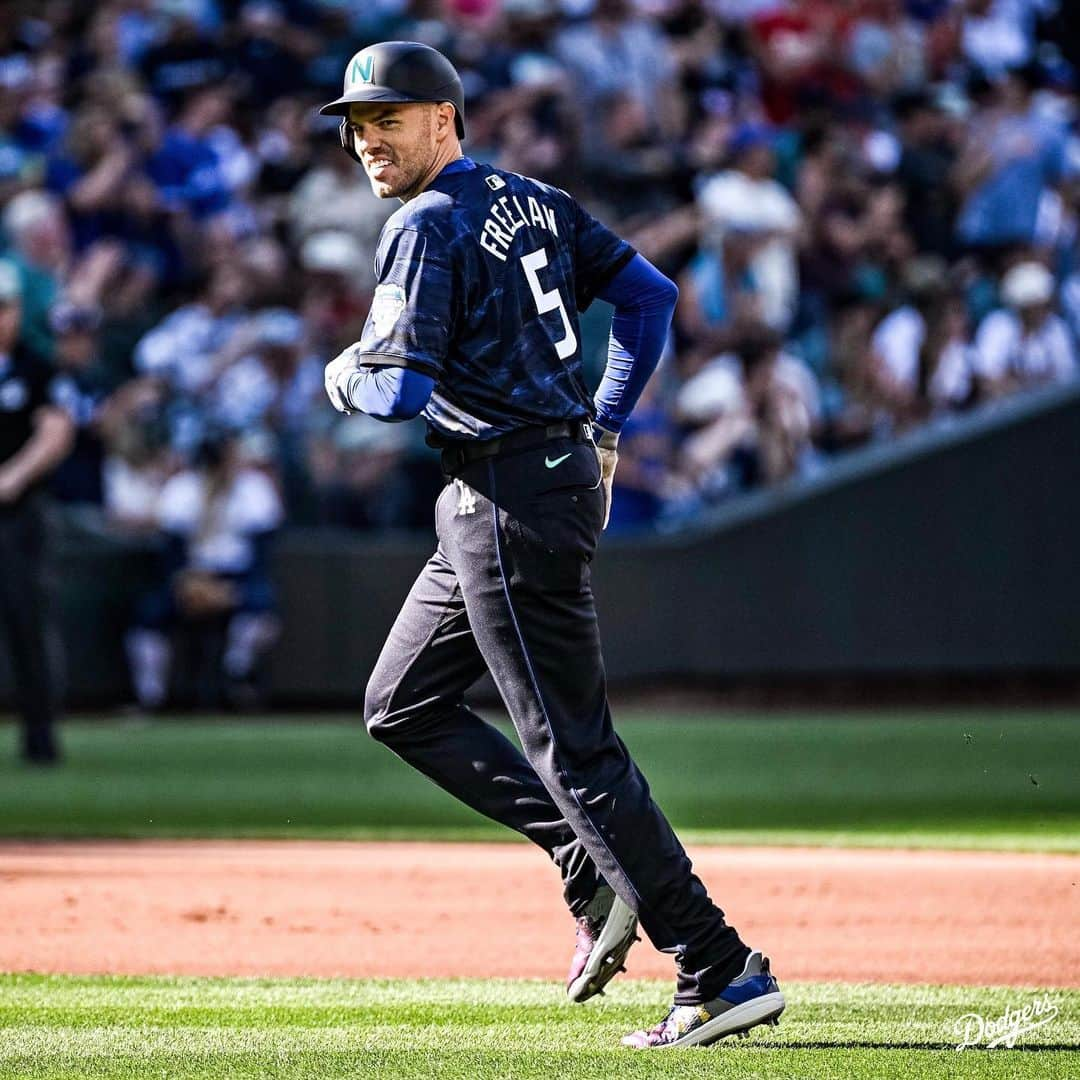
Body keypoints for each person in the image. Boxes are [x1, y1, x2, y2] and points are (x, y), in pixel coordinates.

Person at [320, 41, 784, 1049]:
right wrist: (607, 425)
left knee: (576, 750)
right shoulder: (532, 198)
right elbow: (650, 298)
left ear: (446, 117)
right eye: (356, 124)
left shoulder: (426, 222)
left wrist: (341, 374)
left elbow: (395, 392)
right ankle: (587, 870)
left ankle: (718, 967)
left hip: (507, 496)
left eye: (387, 119)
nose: (367, 141)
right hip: (525, 480)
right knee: (400, 704)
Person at [0, 259, 74, 764]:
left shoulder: (35, 367)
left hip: (18, 515)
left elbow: (56, 431)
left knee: (28, 624)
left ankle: (40, 741)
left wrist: (12, 478)